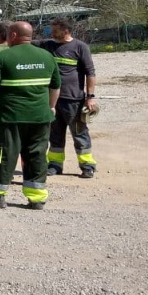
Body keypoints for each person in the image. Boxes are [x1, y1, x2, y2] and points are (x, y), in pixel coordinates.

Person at [0, 21, 61, 209]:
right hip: (40, 118)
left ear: (13, 35)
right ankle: (37, 197)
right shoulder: (47, 57)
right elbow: (55, 86)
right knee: (37, 155)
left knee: (3, 154)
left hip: (10, 118)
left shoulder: (3, 57)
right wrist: (51, 107)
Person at [35, 18, 99, 178]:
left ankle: (87, 165)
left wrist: (90, 97)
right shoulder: (48, 45)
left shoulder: (80, 47)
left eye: (54, 30)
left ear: (65, 30)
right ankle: (55, 165)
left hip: (74, 100)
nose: (51, 33)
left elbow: (90, 73)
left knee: (79, 133)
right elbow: (24, 41)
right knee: (55, 135)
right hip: (52, 101)